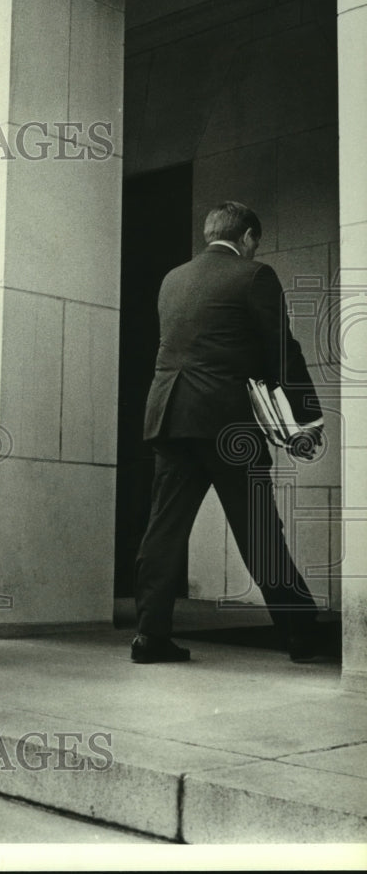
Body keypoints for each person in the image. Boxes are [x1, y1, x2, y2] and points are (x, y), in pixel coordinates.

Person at [132, 201, 326, 664]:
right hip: (225, 422)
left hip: (169, 415)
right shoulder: (254, 275)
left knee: (163, 531)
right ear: (248, 237)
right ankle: (300, 633)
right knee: (259, 531)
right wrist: (307, 418)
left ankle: (150, 637)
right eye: (254, 242)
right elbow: (282, 350)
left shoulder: (172, 279)